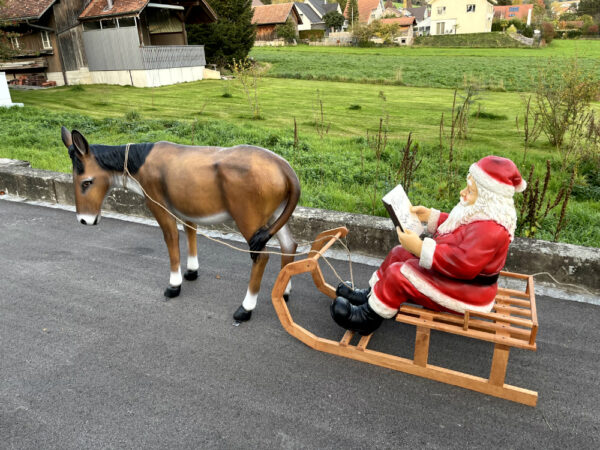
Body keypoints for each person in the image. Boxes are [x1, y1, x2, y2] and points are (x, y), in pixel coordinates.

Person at [331, 156, 527, 336]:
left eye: (470, 190)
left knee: (400, 273)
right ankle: (373, 296)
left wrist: (419, 247)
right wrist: (430, 216)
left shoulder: (490, 229)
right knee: (399, 252)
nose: (463, 193)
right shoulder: (482, 216)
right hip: (459, 281)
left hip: (469, 291)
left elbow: (462, 263)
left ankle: (368, 318)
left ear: (487, 197)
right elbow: (457, 227)